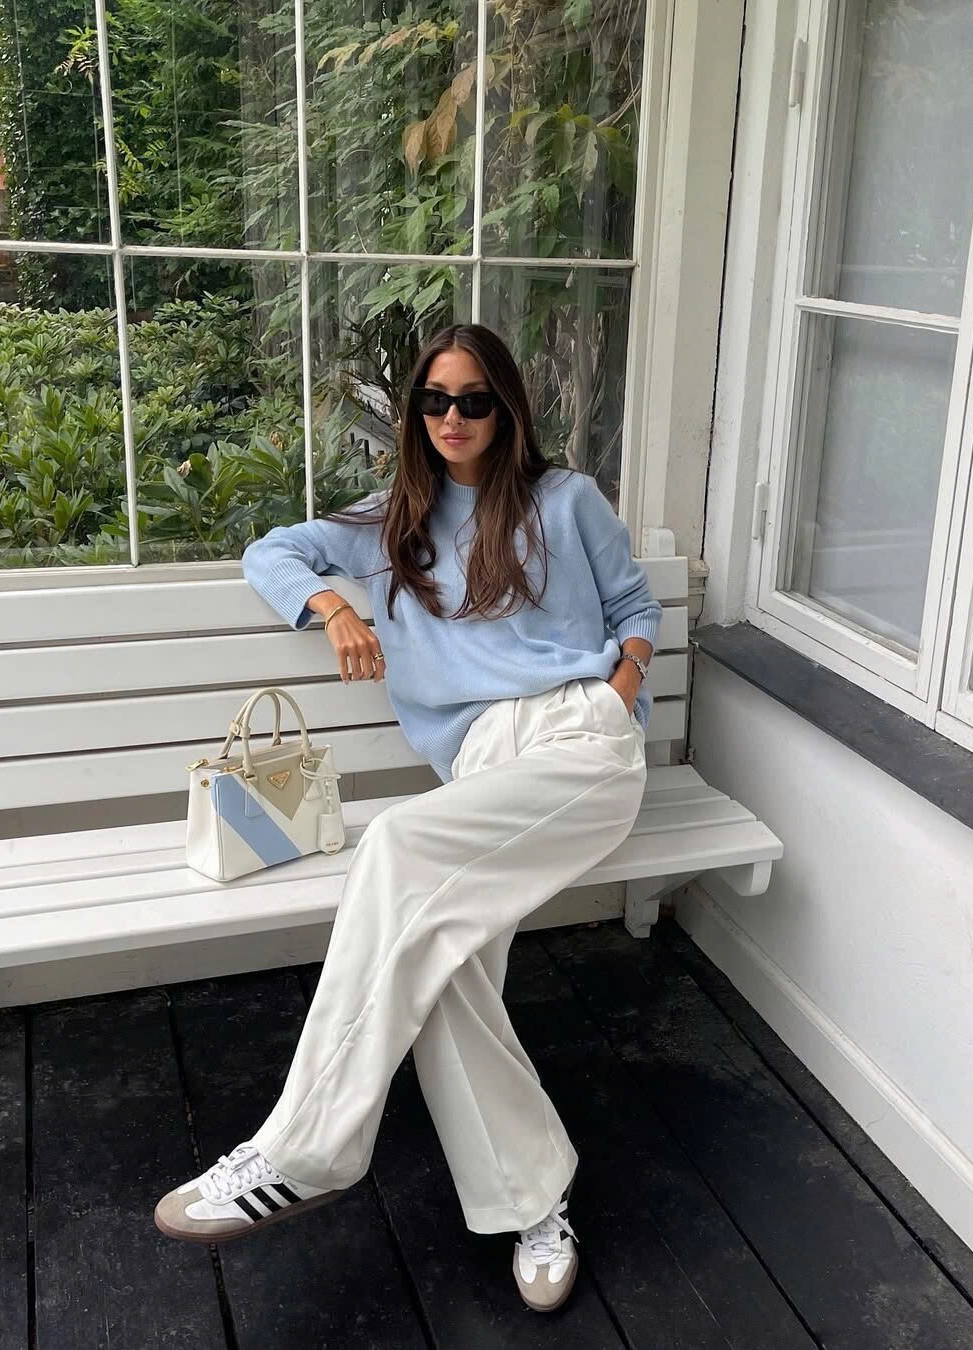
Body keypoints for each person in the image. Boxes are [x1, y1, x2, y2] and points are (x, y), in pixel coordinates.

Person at [153, 322, 662, 1313]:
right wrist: (336, 610)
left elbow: (636, 608)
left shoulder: (568, 500)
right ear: (415, 413)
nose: (452, 418)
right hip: (481, 766)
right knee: (447, 963)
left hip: (580, 743)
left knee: (392, 843)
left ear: (506, 408)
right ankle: (535, 1204)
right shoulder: (391, 525)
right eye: (434, 400)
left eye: (473, 400)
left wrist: (619, 691)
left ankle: (300, 1150)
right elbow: (272, 550)